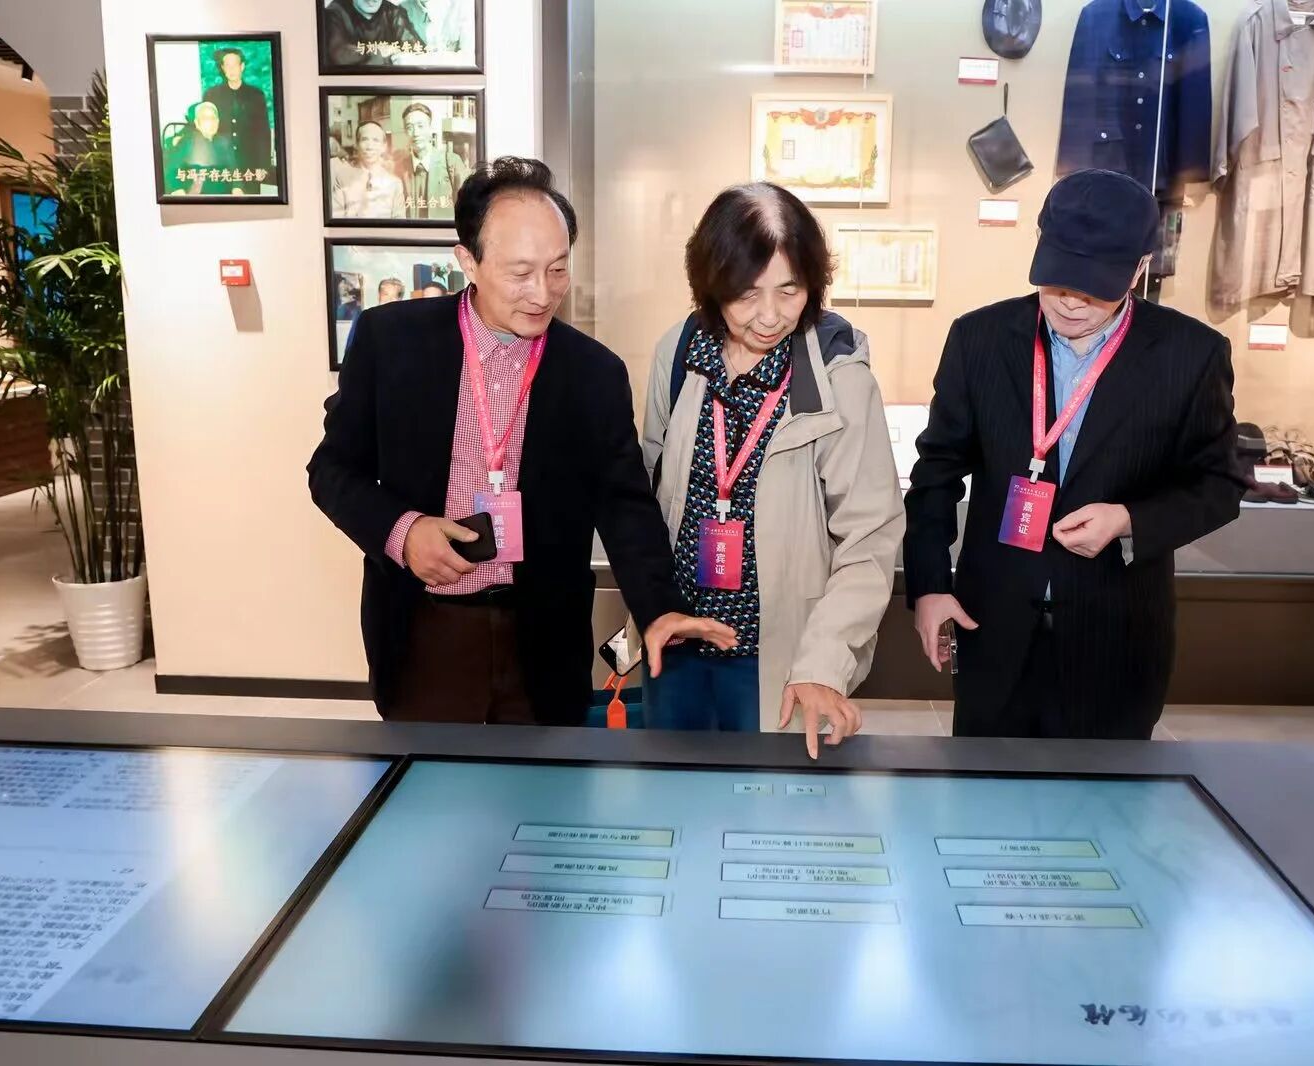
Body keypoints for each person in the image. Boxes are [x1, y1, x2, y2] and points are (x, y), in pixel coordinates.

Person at [308, 156, 735, 724]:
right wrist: (403, 532)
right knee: (433, 777)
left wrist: (658, 607)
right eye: (520, 272)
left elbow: (624, 503)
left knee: (544, 779)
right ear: (468, 260)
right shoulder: (391, 342)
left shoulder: (593, 373)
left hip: (543, 637)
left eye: (557, 269)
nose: (542, 293)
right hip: (424, 628)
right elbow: (333, 470)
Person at [903, 169, 1244, 740]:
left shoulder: (1191, 355)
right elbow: (935, 473)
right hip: (994, 627)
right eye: (1059, 277)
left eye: (1096, 285)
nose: (1071, 300)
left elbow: (1220, 485)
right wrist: (930, 587)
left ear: (1140, 268)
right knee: (986, 791)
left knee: (1104, 796)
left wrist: (1129, 519)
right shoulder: (979, 339)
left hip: (1115, 637)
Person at [640, 184, 902, 758]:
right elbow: (651, 492)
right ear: (711, 284)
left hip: (780, 659)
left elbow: (869, 538)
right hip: (678, 649)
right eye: (746, 293)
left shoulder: (840, 379)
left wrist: (824, 662)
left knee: (768, 802)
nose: (769, 316)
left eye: (789, 290)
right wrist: (654, 604)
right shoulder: (680, 353)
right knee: (673, 796)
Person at [204, 48, 272, 194]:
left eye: (234, 65)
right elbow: (204, 129)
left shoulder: (256, 95)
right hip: (221, 165)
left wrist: (263, 166)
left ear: (242, 66)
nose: (231, 69)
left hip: (250, 165)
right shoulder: (212, 95)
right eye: (227, 65)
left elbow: (263, 133)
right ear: (222, 68)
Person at [395, 102, 470, 220]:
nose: (415, 133)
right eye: (409, 127)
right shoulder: (400, 167)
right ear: (405, 132)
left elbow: (467, 208)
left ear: (430, 128)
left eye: (420, 126)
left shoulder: (452, 162)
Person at [331, 120, 405, 219]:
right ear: (357, 144)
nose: (370, 147)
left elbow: (399, 222)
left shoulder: (394, 184)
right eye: (364, 139)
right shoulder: (342, 179)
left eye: (376, 140)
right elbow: (336, 219)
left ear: (384, 147)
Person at [323, 0, 423, 67]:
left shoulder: (393, 12)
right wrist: (381, 54)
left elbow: (415, 46)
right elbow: (339, 54)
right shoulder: (335, 12)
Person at [173, 103, 238, 196]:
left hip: (223, 197)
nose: (211, 122)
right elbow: (171, 171)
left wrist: (237, 187)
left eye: (213, 118)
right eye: (205, 118)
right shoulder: (187, 142)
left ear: (218, 122)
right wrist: (178, 190)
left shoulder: (224, 142)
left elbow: (234, 170)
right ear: (197, 123)